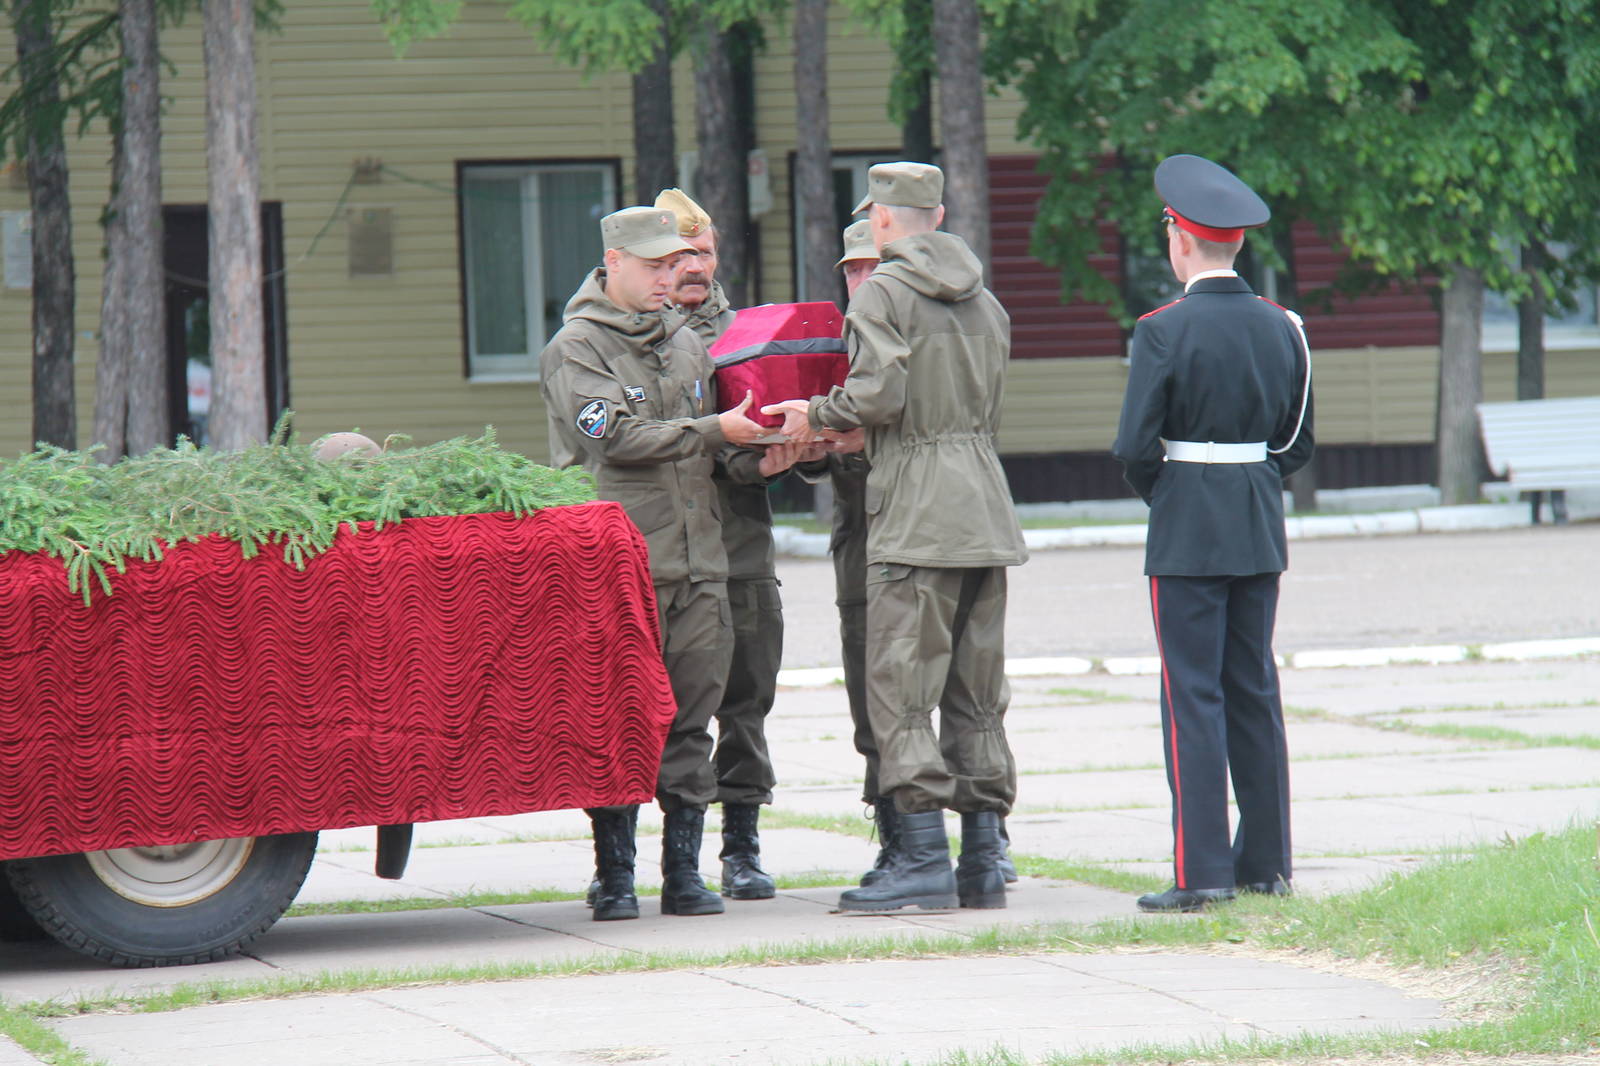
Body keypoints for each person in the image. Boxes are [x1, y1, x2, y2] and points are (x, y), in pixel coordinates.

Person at [766, 162, 1027, 912]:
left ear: (880, 220)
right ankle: (983, 857)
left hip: (915, 512)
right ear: (937, 215)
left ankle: (920, 857)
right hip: (983, 504)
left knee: (901, 688)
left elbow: (879, 392)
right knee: (977, 690)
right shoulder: (985, 300)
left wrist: (817, 415)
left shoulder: (883, 290)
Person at [541, 205, 800, 921]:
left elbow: (713, 455)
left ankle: (683, 873)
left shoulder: (687, 345)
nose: (670, 277)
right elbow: (615, 439)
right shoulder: (577, 346)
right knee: (619, 721)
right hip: (620, 570)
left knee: (693, 721)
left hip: (700, 566)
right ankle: (614, 876)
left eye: (677, 263)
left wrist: (764, 458)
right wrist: (716, 430)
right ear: (614, 262)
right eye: (655, 265)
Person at [1110, 154, 1315, 913]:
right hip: (1257, 517)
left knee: (1191, 696)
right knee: (1253, 688)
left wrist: (1170, 496)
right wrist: (1246, 483)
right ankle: (1266, 866)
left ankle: (1201, 873)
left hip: (1188, 523)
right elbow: (1296, 441)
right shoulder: (1284, 326)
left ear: (1180, 239)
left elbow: (1135, 446)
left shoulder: (1162, 330)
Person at [654, 187, 781, 901]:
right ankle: (643, 859)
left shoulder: (747, 333)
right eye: (678, 256)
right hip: (663, 552)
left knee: (745, 699)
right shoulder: (629, 336)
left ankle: (742, 847)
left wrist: (787, 451)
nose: (695, 267)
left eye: (703, 252)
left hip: (739, 545)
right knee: (664, 709)